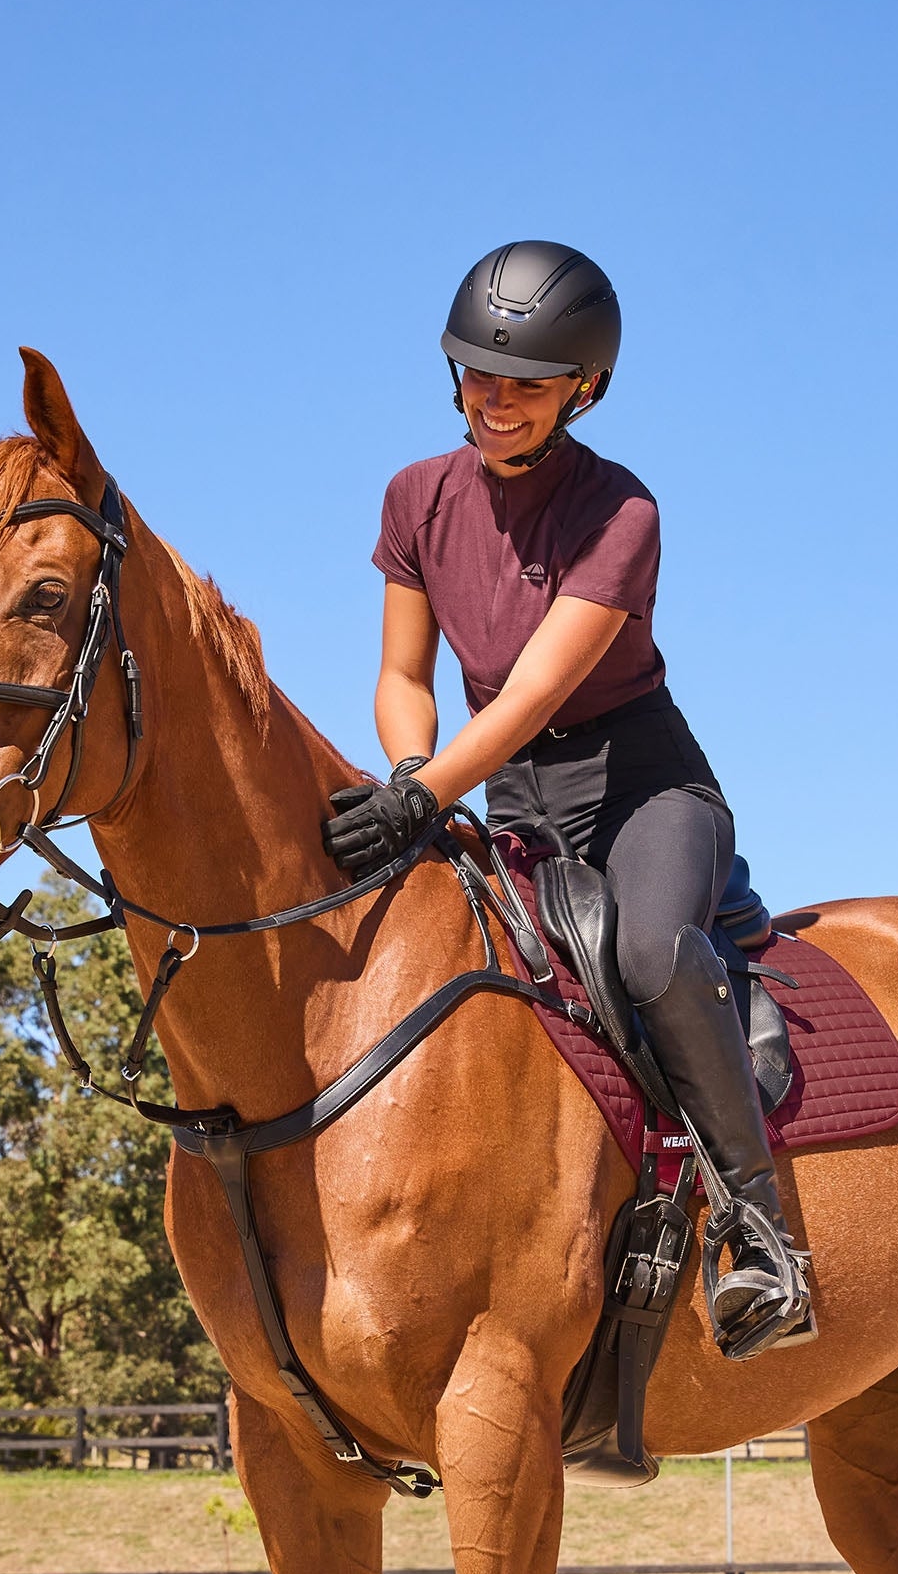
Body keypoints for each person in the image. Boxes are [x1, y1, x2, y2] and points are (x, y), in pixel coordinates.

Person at [322, 241, 810, 1359]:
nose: (493, 403)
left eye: (526, 386)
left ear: (582, 390)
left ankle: (760, 1237)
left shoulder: (619, 512)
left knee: (645, 958)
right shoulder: (414, 498)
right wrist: (410, 781)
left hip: (642, 781)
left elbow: (538, 688)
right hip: (514, 792)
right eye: (477, 377)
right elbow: (406, 678)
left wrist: (427, 795)